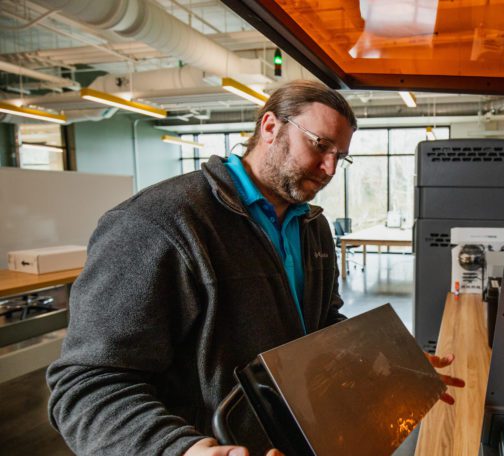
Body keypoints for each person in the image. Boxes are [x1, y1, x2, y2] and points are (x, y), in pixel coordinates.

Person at [47, 80, 463, 456]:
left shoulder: (311, 226)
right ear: (269, 127)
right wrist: (181, 449)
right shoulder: (159, 224)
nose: (330, 169)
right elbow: (88, 385)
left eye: (341, 157)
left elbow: (322, 330)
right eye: (320, 145)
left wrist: (389, 364)